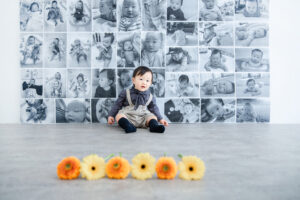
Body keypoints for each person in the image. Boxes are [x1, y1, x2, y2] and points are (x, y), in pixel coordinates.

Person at [108, 66, 168, 133]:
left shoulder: (150, 96)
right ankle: (128, 126)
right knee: (119, 116)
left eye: (147, 80)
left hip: (143, 116)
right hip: (128, 115)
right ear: (133, 80)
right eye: (141, 79)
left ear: (150, 83)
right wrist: (111, 115)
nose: (144, 82)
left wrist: (160, 119)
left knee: (152, 117)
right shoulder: (126, 92)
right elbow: (117, 104)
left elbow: (154, 108)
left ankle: (154, 126)